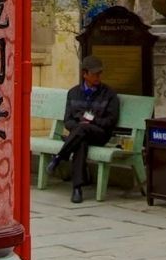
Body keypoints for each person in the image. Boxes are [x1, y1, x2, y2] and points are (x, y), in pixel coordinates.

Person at [51, 56, 120, 203]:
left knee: (82, 130)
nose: (98, 77)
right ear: (85, 74)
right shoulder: (73, 93)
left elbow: (110, 122)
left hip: (100, 134)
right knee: (80, 142)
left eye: (100, 73)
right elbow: (68, 120)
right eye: (95, 74)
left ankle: (59, 157)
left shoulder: (109, 94)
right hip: (79, 134)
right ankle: (77, 189)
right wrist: (79, 127)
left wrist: (92, 121)